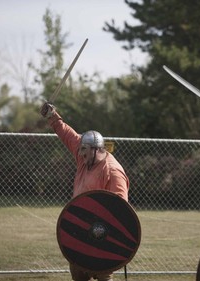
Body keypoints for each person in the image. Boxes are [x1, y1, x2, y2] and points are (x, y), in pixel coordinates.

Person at [41, 102, 129, 281]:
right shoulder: (85, 157)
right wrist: (52, 116)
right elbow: (68, 135)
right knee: (78, 275)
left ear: (97, 150)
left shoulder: (112, 171)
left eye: (84, 151)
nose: (80, 154)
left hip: (104, 237)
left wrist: (105, 235)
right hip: (81, 231)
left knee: (103, 275)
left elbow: (120, 210)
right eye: (80, 150)